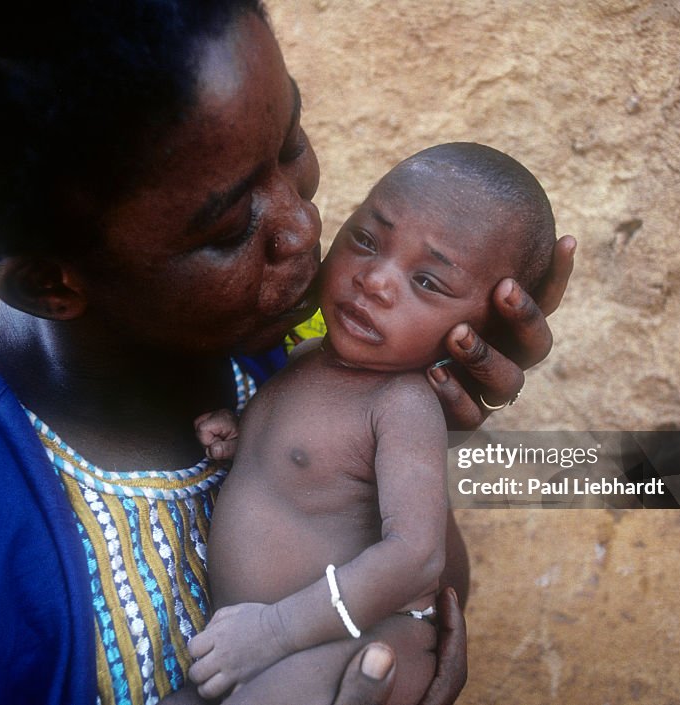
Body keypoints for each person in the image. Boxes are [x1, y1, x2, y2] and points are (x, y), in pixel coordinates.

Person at [0, 1, 575, 703]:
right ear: (50, 282)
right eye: (227, 231)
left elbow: (422, 570)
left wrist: (417, 402)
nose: (304, 225)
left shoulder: (303, 344)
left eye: (291, 145)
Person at [185, 143, 555, 704]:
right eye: (365, 240)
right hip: (265, 647)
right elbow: (311, 462)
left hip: (355, 644)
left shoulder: (403, 404)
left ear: (479, 332)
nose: (376, 281)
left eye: (428, 282)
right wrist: (244, 431)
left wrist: (275, 630)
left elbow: (416, 556)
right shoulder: (308, 356)